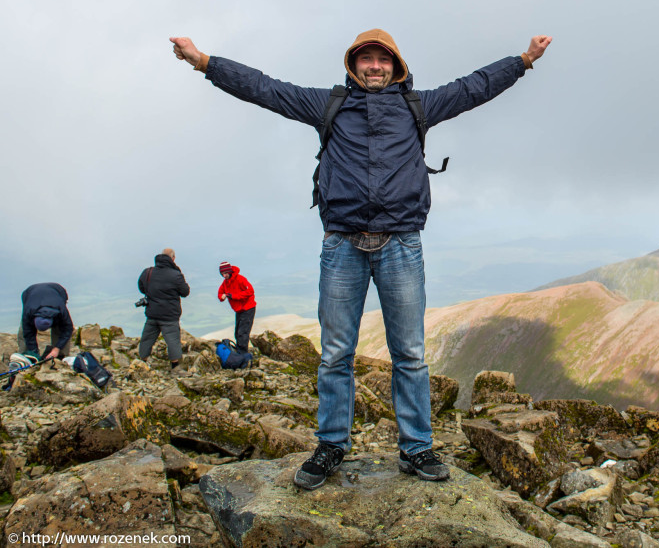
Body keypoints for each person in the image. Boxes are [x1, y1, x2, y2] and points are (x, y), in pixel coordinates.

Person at [170, 28, 551, 490]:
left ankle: (416, 448)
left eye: (383, 59)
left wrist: (524, 60)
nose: (375, 66)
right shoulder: (328, 105)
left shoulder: (419, 107)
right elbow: (265, 89)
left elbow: (474, 87)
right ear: (354, 65)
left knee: (409, 354)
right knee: (335, 355)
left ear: (396, 66)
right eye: (366, 59)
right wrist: (205, 62)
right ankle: (331, 445)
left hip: (401, 245)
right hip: (341, 246)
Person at [137, 248, 190, 370]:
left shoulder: (148, 272)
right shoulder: (175, 275)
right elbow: (185, 292)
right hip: (169, 315)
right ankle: (175, 366)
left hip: (152, 312)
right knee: (173, 340)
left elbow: (141, 287)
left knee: (147, 338)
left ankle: (142, 362)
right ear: (173, 258)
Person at [19, 282, 74, 362]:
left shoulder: (61, 311)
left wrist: (57, 348)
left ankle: (60, 357)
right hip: (29, 293)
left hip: (58, 291)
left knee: (60, 330)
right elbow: (28, 334)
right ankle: (25, 357)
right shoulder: (29, 312)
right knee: (24, 333)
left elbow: (68, 329)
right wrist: (34, 353)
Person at [217, 261, 257, 352]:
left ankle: (243, 355)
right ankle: (240, 352)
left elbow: (250, 291)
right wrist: (222, 297)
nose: (224, 276)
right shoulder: (226, 282)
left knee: (242, 333)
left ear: (229, 271)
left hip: (248, 308)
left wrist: (234, 296)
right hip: (239, 310)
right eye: (222, 274)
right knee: (237, 332)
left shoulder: (240, 279)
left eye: (225, 273)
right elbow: (220, 292)